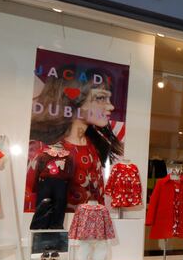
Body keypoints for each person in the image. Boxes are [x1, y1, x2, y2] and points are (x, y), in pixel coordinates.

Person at [26, 67, 123, 214]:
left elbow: (99, 197)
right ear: (75, 99)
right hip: (56, 231)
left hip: (90, 231)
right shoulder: (41, 148)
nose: (111, 106)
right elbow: (30, 199)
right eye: (100, 98)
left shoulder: (95, 146)